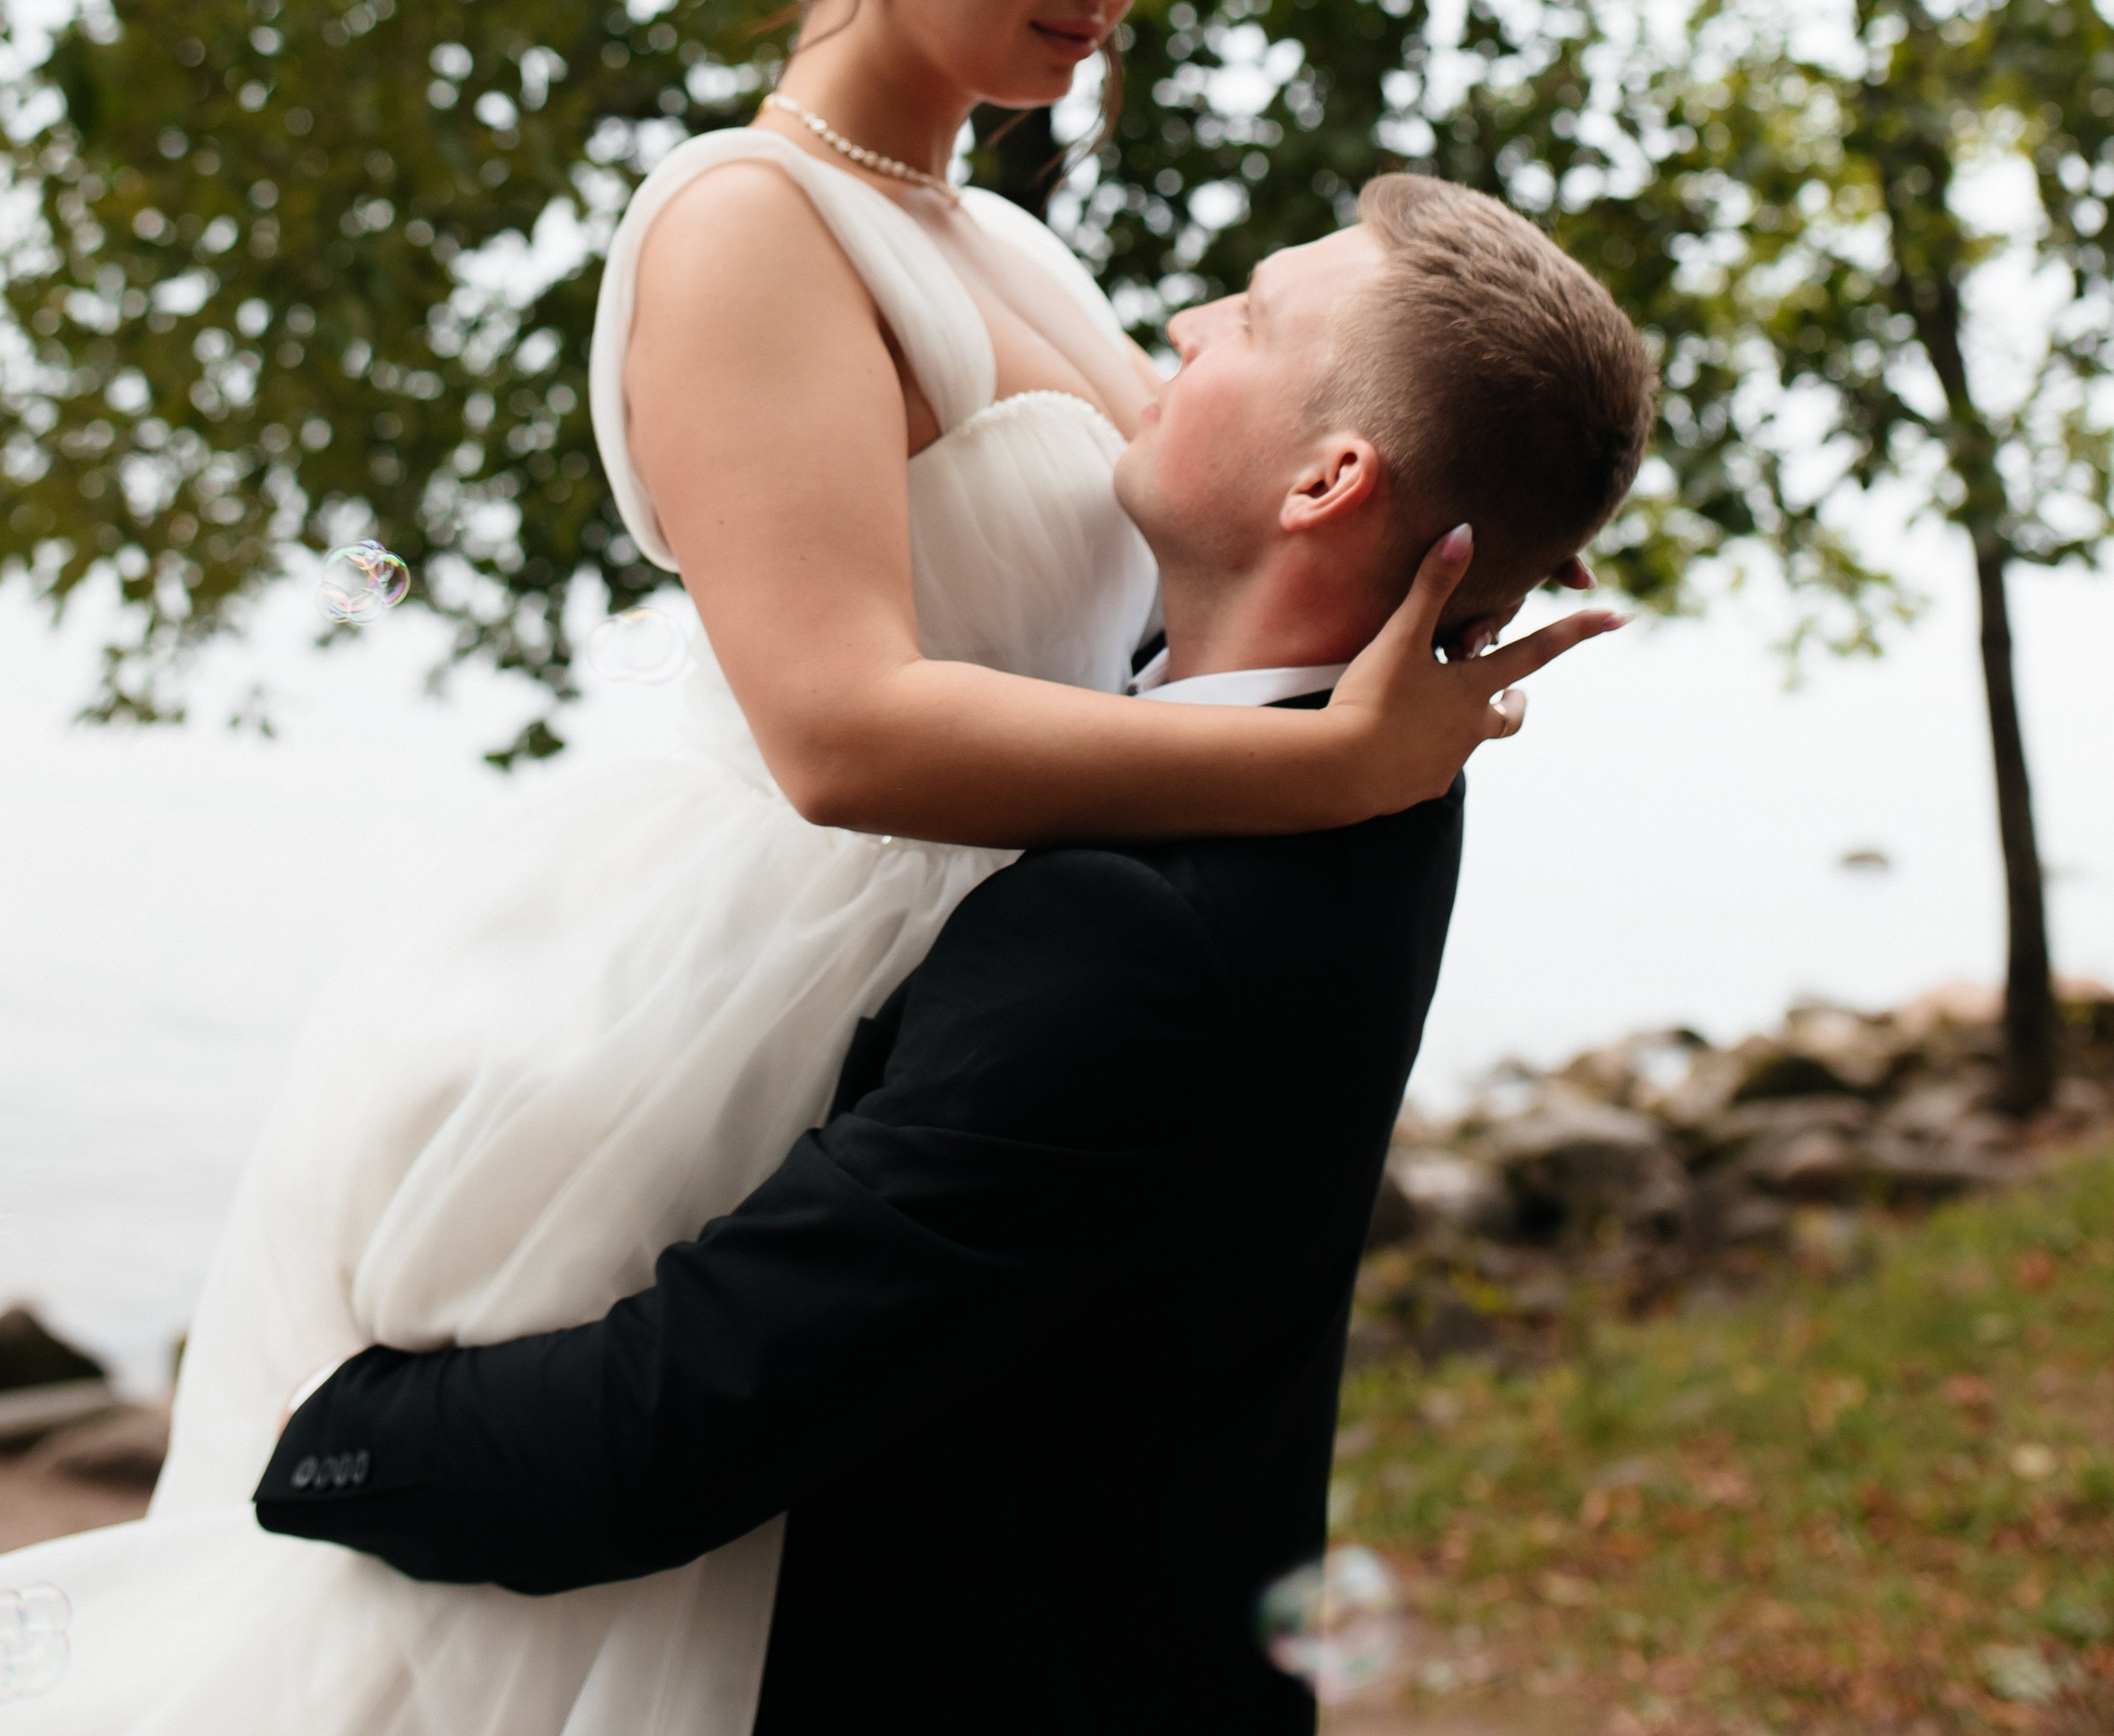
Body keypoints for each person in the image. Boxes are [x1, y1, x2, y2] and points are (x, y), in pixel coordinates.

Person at [0, 0, 1626, 1736]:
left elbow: (1250, 562)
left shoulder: (1004, 244)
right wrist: (1322, 779)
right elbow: (838, 729)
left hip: (977, 974)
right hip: (757, 955)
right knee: (526, 1608)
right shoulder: (744, 223)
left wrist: (1463, 558)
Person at [255, 176, 1659, 1734]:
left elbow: (681, 1424)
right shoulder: (1387, 784)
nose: (1180, 329)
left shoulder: (1138, 940)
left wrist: (326, 1427)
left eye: (1250, 317)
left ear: (1328, 478)